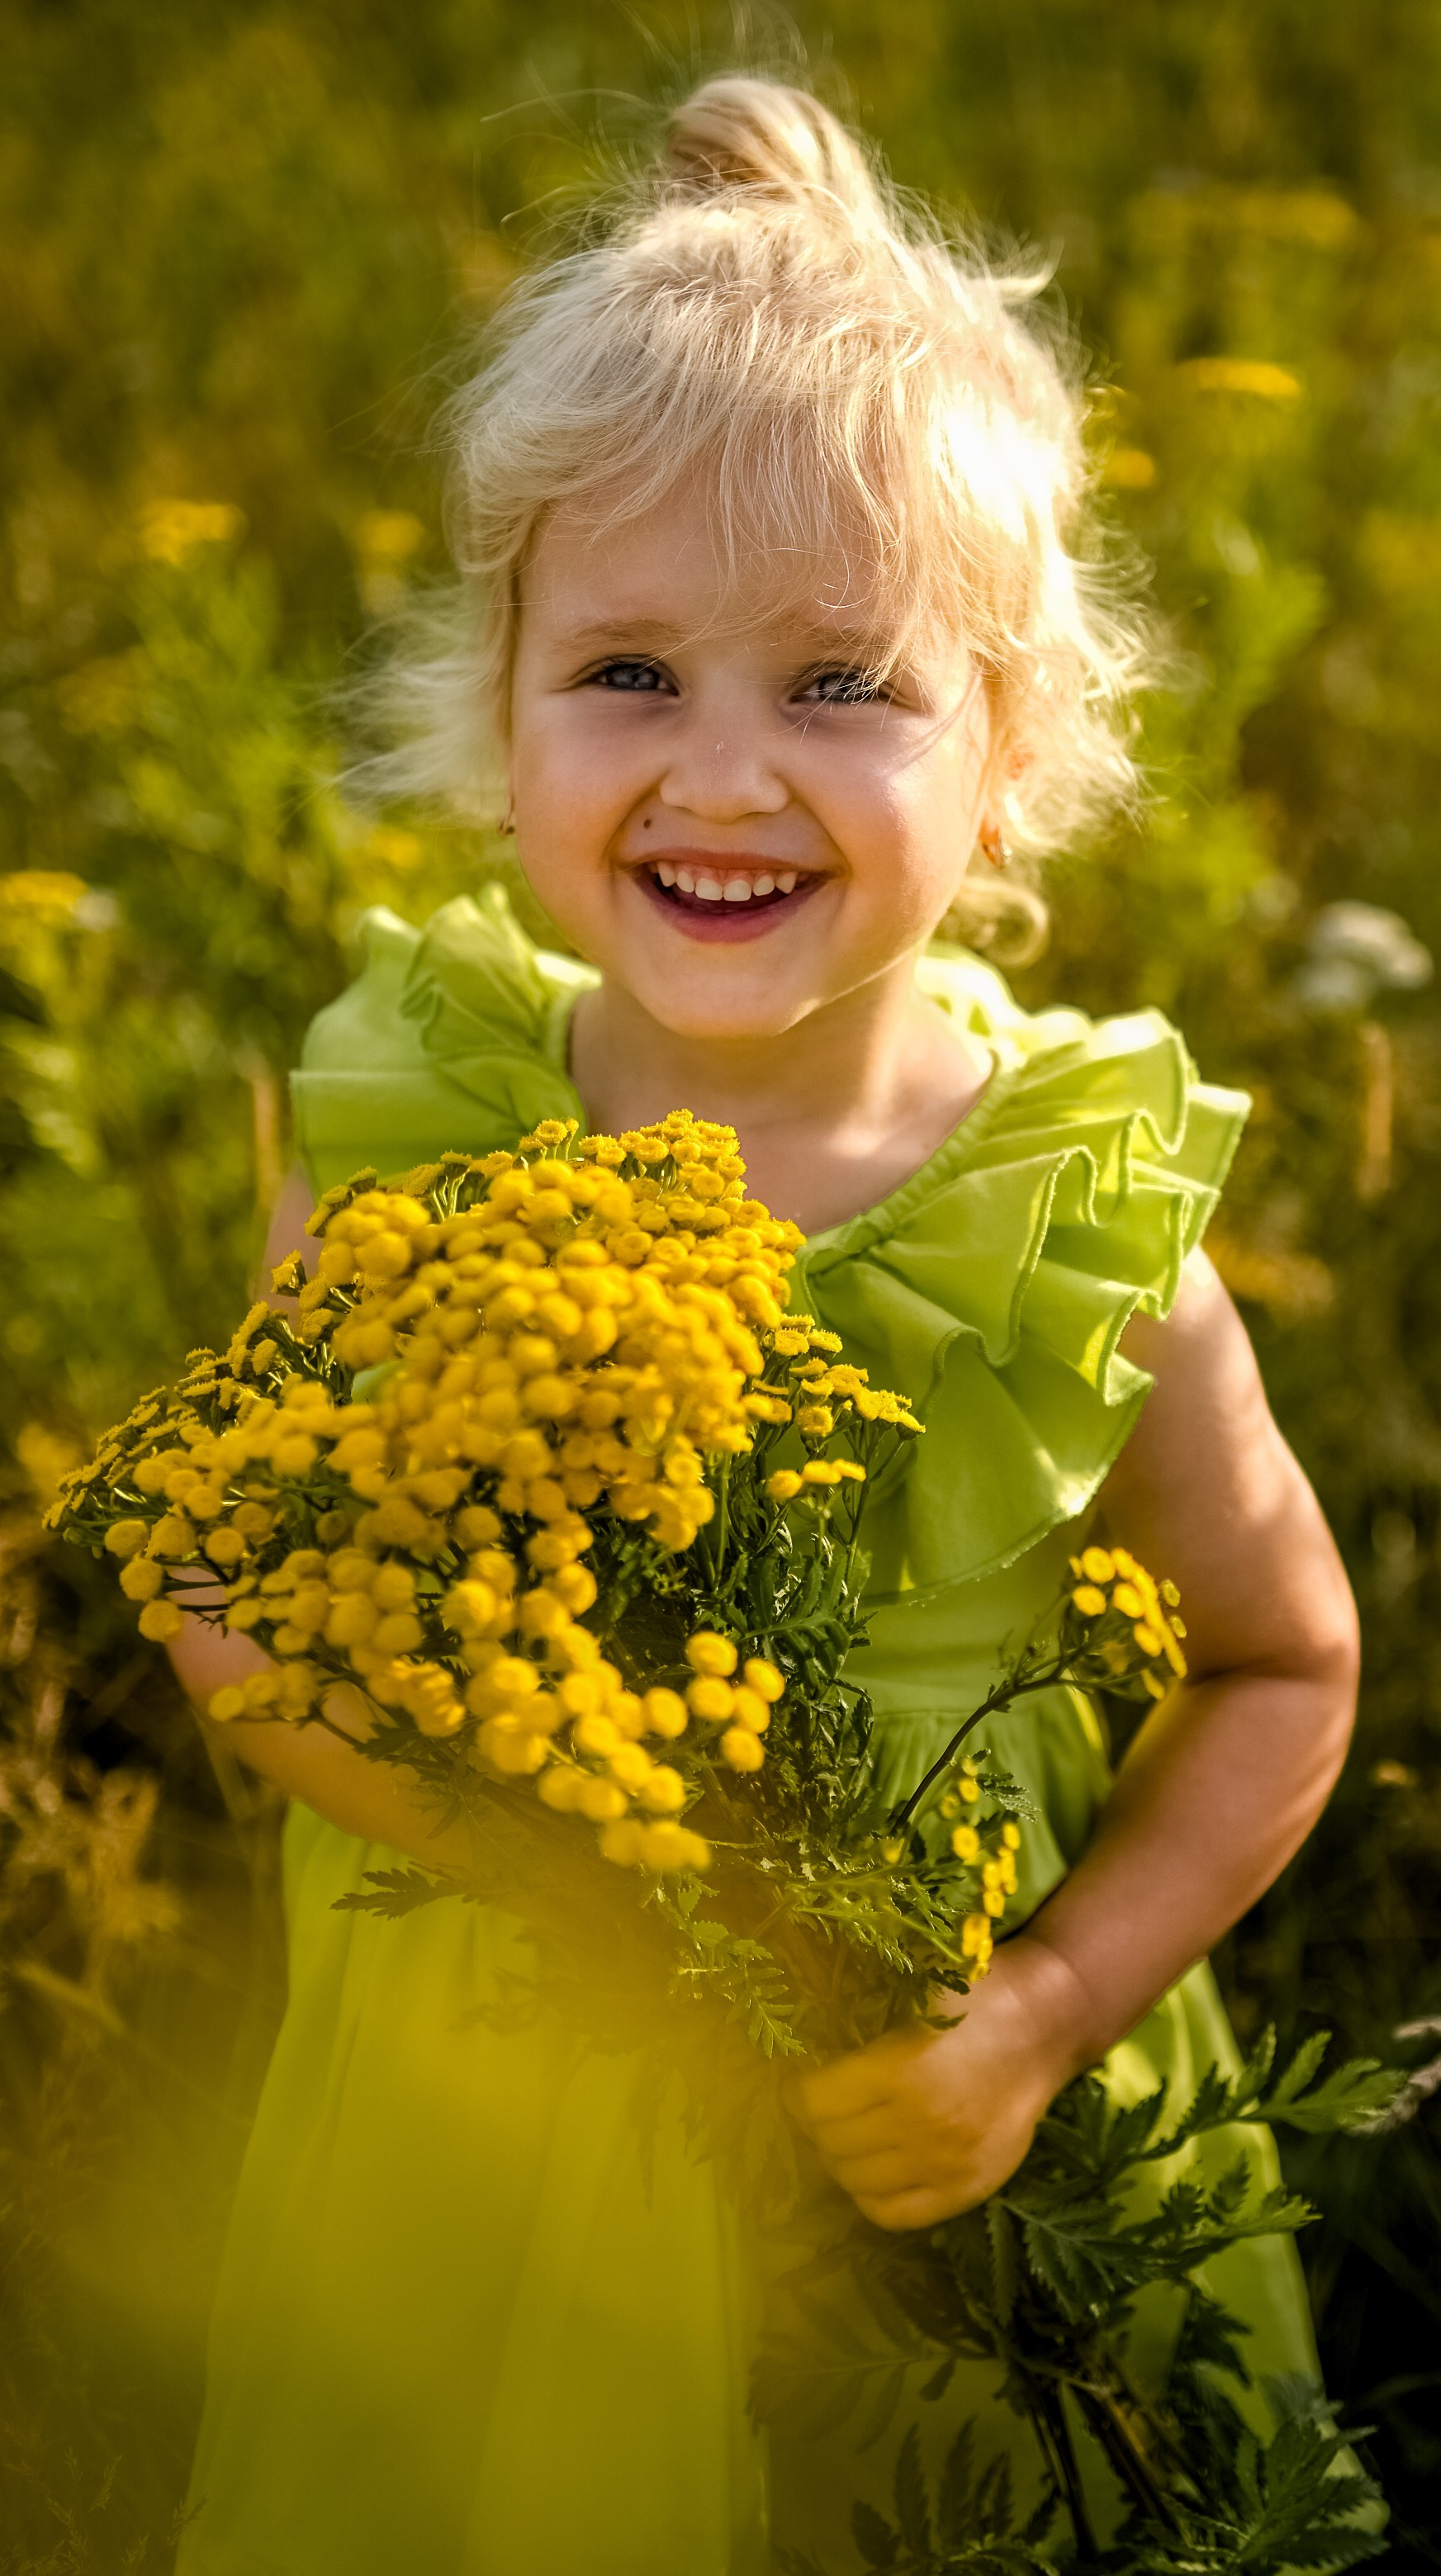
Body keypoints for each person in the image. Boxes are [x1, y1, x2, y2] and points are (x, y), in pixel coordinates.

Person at [168, 75, 1361, 2575]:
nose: (728, 775)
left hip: (943, 2128)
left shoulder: (1072, 1214)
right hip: (501, 2116)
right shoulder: (417, 1140)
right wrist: (573, 1881)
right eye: (629, 669)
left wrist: (1041, 2022)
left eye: (846, 684)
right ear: (500, 709)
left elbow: (1281, 1668)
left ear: (1011, 755)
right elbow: (228, 1589)